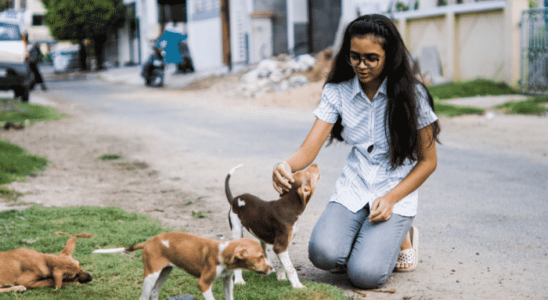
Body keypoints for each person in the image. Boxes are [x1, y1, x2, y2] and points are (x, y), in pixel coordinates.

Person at [272, 14, 440, 289]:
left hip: (395, 191)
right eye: (354, 56)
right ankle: (371, 234)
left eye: (371, 58)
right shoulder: (337, 91)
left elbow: (428, 162)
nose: (361, 66)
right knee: (323, 255)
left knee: (365, 275)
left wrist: (390, 199)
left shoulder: (413, 95)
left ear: (390, 56)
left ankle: (402, 235)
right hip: (355, 184)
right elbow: (308, 149)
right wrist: (284, 165)